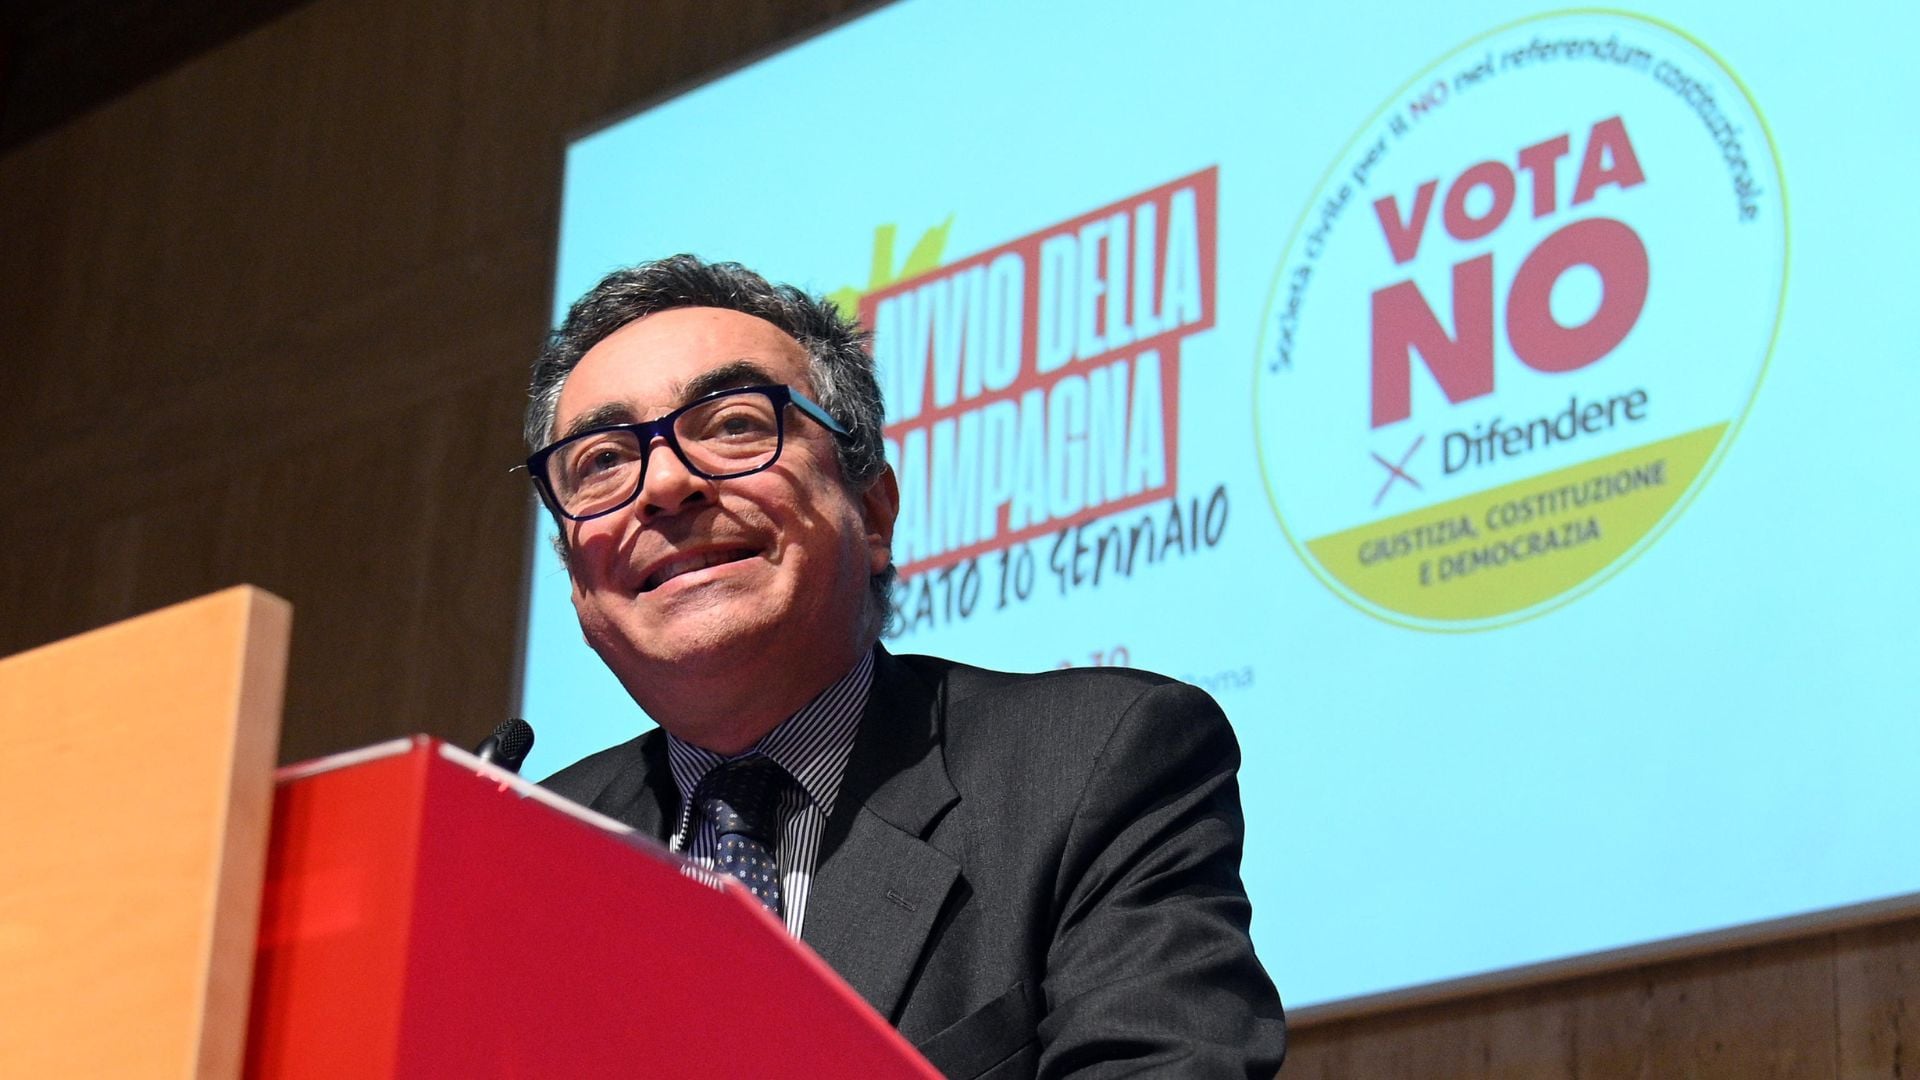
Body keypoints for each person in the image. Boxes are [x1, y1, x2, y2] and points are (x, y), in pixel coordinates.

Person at [528, 254, 1286, 1078]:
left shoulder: (1096, 764)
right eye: (601, 462)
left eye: (734, 425)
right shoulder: (523, 855)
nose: (666, 484)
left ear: (874, 511)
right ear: (575, 577)